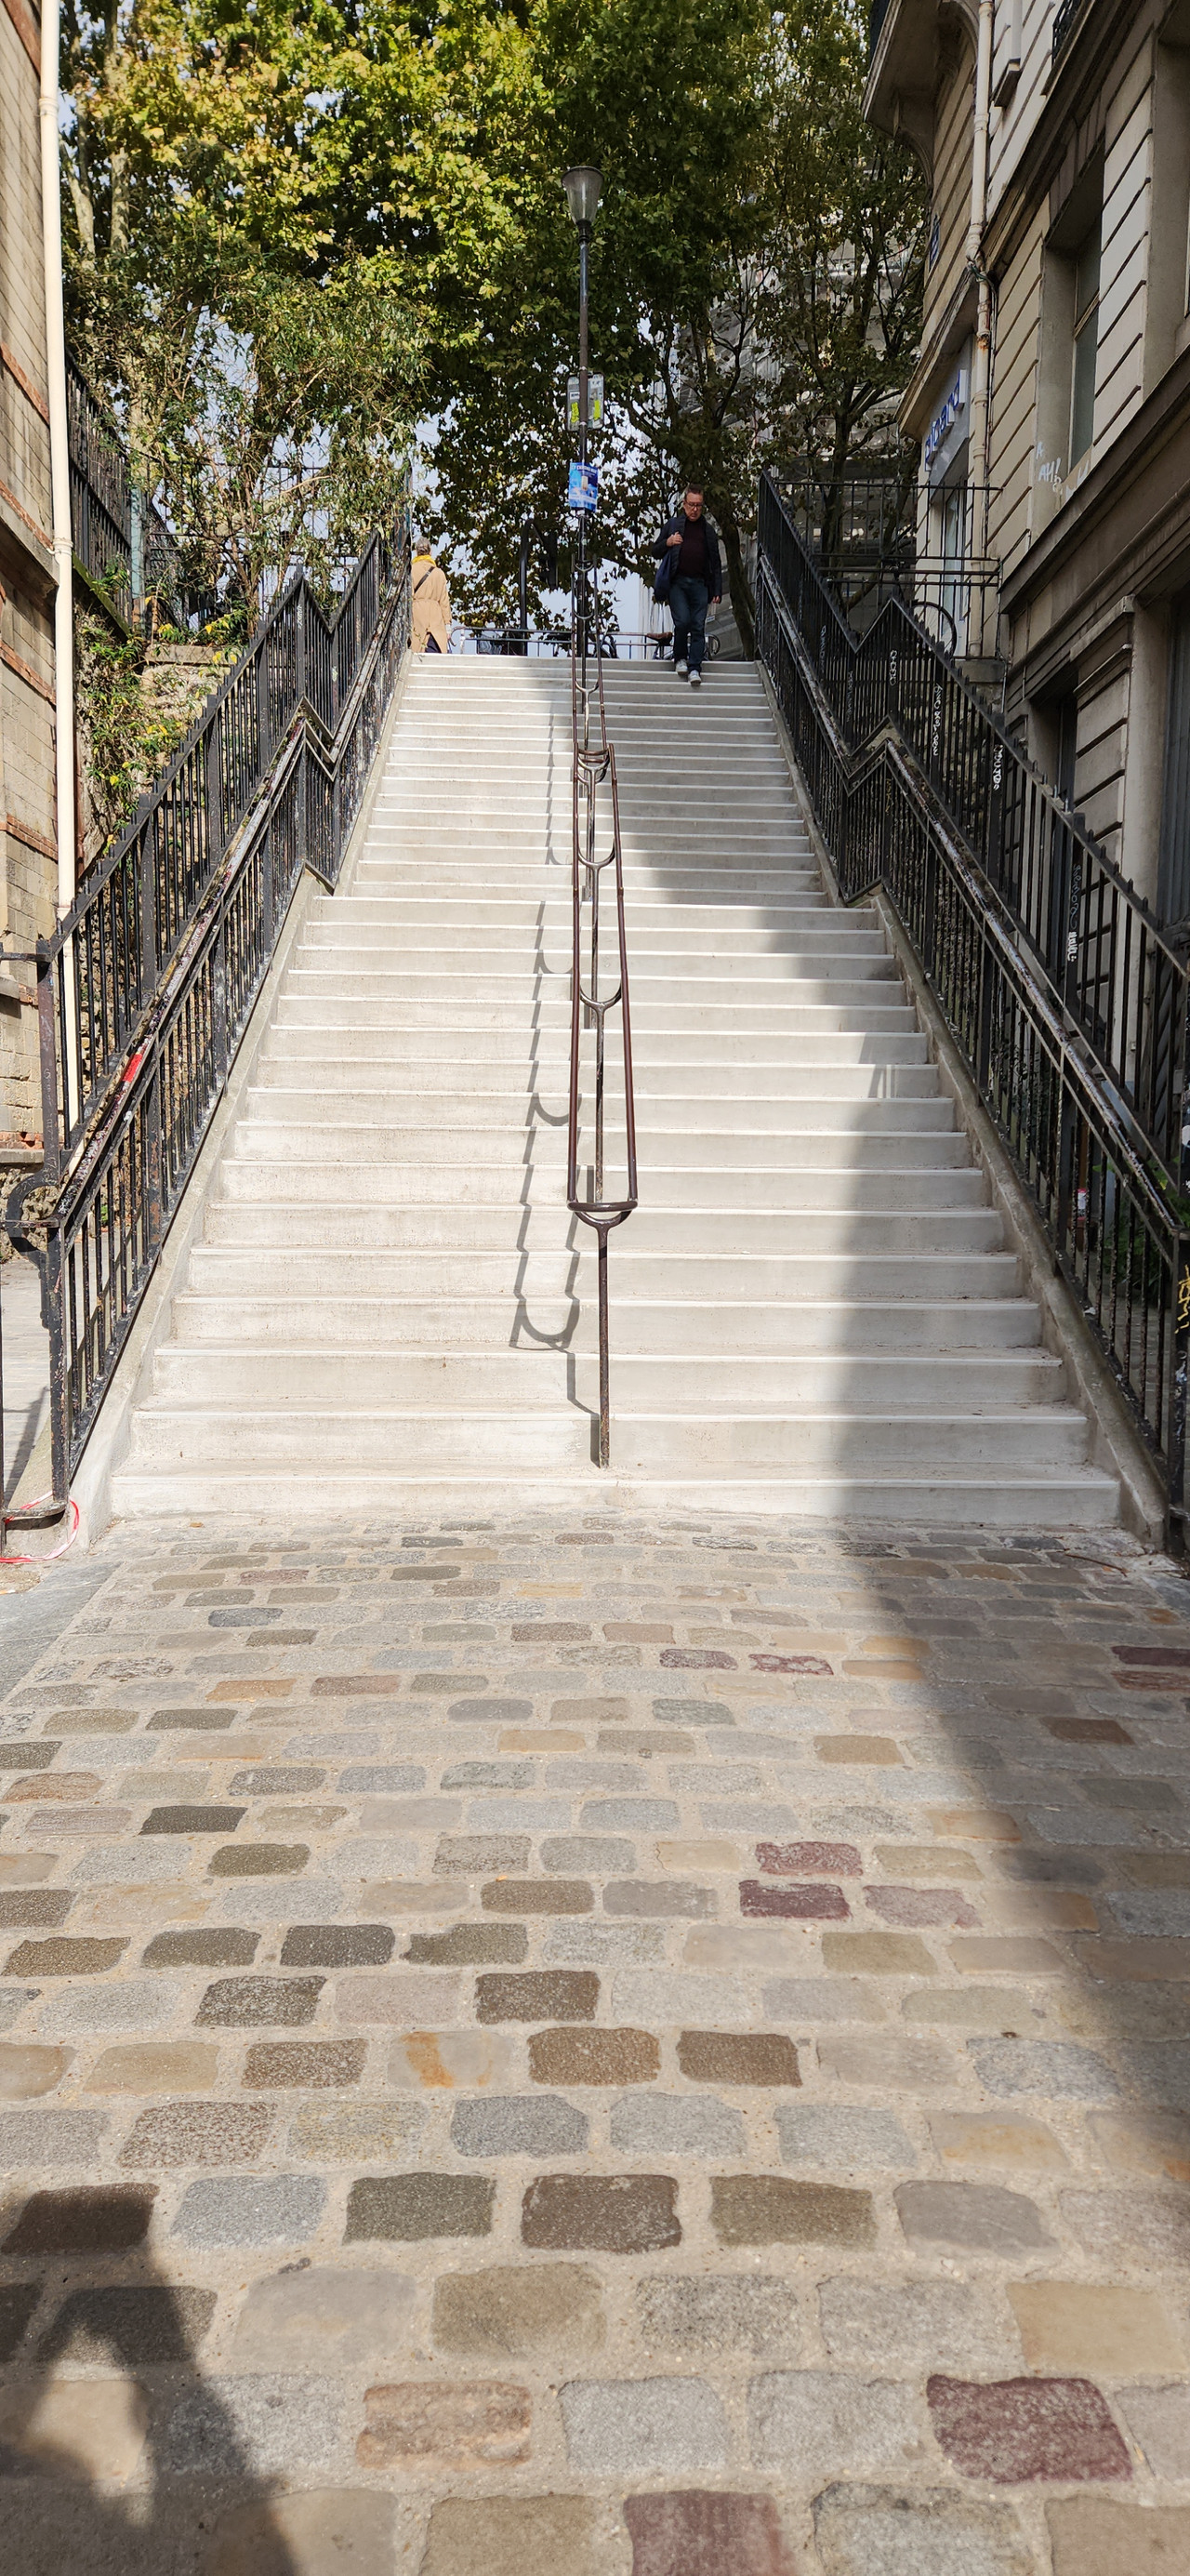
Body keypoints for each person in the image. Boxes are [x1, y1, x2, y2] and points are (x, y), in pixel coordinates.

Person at [654, 486, 722, 687]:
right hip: (678, 583)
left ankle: (695, 668)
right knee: (682, 622)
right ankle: (680, 658)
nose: (695, 509)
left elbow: (716, 562)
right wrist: (668, 541)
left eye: (699, 506)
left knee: (698, 626)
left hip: (701, 584)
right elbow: (655, 551)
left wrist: (717, 590)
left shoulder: (708, 531)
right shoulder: (673, 525)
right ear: (684, 504)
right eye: (691, 505)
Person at [410, 536, 452, 653]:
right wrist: (447, 626)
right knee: (435, 651)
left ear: (417, 552)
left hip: (417, 615)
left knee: (417, 651)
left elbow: (409, 597)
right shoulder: (439, 574)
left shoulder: (411, 571)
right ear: (430, 552)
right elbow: (444, 602)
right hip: (436, 617)